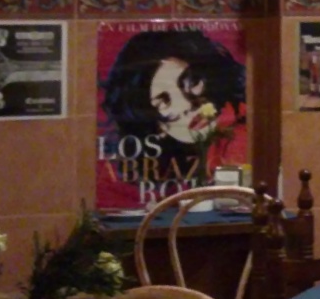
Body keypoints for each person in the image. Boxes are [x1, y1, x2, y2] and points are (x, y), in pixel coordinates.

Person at [100, 29, 247, 191]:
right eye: (164, 101)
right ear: (153, 124)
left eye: (191, 81)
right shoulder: (152, 179)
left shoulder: (245, 132)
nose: (188, 105)